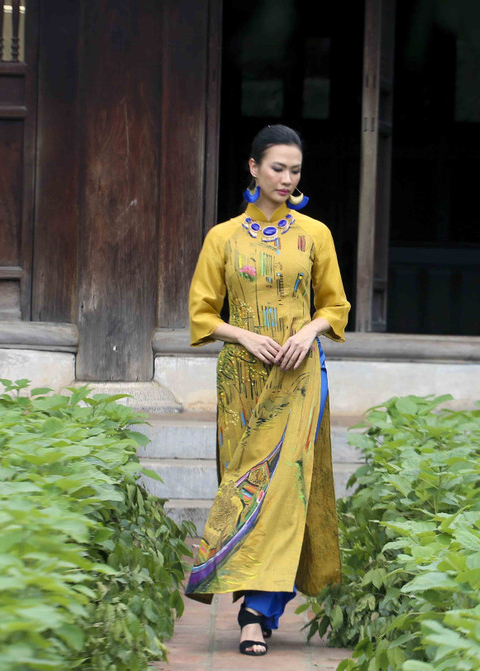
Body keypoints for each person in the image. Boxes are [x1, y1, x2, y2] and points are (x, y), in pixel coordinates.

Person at [185, 124, 350, 656]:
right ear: (253, 168)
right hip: (242, 376)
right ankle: (250, 596)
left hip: (300, 376)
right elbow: (202, 314)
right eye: (277, 167)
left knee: (287, 489)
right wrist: (245, 336)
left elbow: (336, 306)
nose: (287, 177)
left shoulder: (315, 234)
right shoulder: (223, 237)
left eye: (295, 169)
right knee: (247, 486)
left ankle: (258, 613)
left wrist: (307, 332)